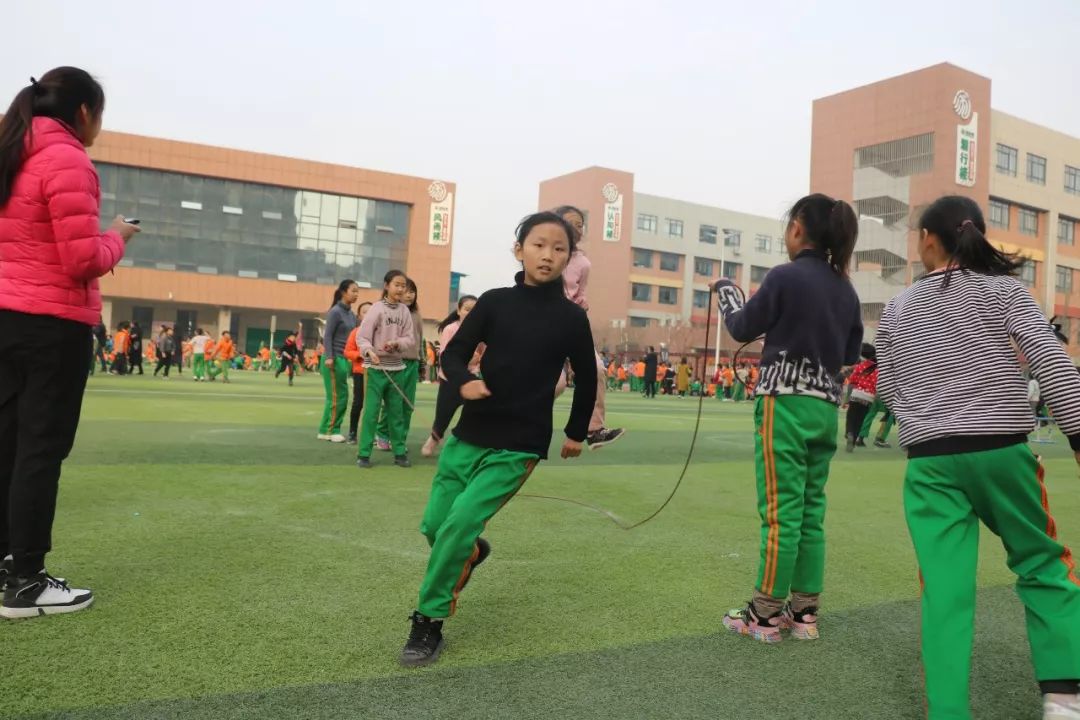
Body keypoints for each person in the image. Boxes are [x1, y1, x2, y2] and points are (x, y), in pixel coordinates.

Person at [876, 195, 1080, 720]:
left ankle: (948, 712)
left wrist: (924, 420)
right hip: (1000, 452)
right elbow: (1051, 362)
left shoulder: (899, 306)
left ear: (927, 238)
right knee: (1041, 561)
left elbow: (890, 387)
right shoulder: (1006, 290)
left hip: (928, 463)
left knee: (944, 591)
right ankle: (1063, 698)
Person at [399, 211, 597, 667]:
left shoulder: (571, 318)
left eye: (559, 248)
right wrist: (464, 380)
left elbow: (586, 379)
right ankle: (469, 555)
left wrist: (574, 432)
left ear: (569, 258)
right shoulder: (493, 302)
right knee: (435, 526)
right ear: (519, 250)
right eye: (539, 245)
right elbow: (452, 354)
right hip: (469, 434)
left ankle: (428, 621)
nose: (548, 255)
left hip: (519, 443)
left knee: (457, 524)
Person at [0, 67, 140, 617]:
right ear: (84, 113)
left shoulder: (12, 149)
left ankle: (9, 567)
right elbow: (82, 260)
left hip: (6, 318)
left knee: (8, 443)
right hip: (51, 325)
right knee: (40, 449)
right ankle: (27, 579)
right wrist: (118, 236)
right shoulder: (67, 159)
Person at [715, 192, 861, 644]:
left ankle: (763, 616)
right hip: (824, 408)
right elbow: (850, 355)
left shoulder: (784, 276)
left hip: (785, 405)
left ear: (797, 228)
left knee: (780, 514)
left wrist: (725, 293)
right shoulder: (846, 290)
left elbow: (740, 327)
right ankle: (804, 615)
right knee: (811, 512)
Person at [551, 206, 624, 449]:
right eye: (571, 222)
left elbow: (580, 293)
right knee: (557, 384)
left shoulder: (583, 263)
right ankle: (516, 415)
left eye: (581, 224)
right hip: (545, 323)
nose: (577, 228)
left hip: (572, 324)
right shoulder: (545, 252)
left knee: (597, 370)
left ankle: (594, 429)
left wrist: (582, 305)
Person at [355, 271, 415, 468]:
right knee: (371, 412)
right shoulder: (376, 309)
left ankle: (399, 452)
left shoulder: (405, 311)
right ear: (386, 285)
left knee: (395, 413)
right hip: (375, 368)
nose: (401, 289)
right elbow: (362, 337)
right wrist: (369, 351)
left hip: (397, 368)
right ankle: (364, 454)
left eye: (403, 286)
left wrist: (396, 344)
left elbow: (410, 339)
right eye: (397, 285)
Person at [421, 295, 479, 458]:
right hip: (450, 380)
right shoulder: (450, 329)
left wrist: (477, 362)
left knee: (474, 414)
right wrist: (469, 359)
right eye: (467, 309)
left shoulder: (481, 330)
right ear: (459, 310)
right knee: (443, 415)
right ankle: (433, 440)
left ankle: (467, 446)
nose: (471, 313)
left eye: (475, 310)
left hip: (471, 378)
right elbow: (446, 355)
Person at [375, 278, 423, 452]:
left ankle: (400, 439)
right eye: (406, 290)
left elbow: (419, 340)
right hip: (395, 362)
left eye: (412, 291)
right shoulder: (389, 312)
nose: (409, 294)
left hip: (412, 364)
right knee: (392, 402)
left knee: (407, 404)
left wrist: (421, 362)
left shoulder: (417, 315)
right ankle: (383, 435)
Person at [317, 280, 359, 442]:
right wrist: (329, 357)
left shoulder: (351, 314)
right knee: (338, 397)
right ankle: (331, 430)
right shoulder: (335, 312)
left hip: (344, 359)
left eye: (357, 292)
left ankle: (324, 430)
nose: (356, 294)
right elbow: (327, 336)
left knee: (337, 396)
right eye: (353, 291)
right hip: (333, 359)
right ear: (343, 292)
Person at [343, 302, 373, 445]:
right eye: (364, 312)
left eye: (370, 312)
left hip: (376, 373)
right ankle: (353, 432)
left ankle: (373, 435)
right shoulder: (355, 332)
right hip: (360, 372)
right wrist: (360, 355)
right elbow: (347, 351)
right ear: (359, 316)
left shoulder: (379, 332)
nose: (367, 315)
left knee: (374, 405)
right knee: (358, 403)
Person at [843, 344, 878, 452]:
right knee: (859, 420)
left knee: (851, 417)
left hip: (856, 394)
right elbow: (877, 386)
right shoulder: (877, 369)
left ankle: (849, 432)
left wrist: (846, 399)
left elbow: (852, 381)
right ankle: (853, 443)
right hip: (868, 398)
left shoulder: (860, 366)